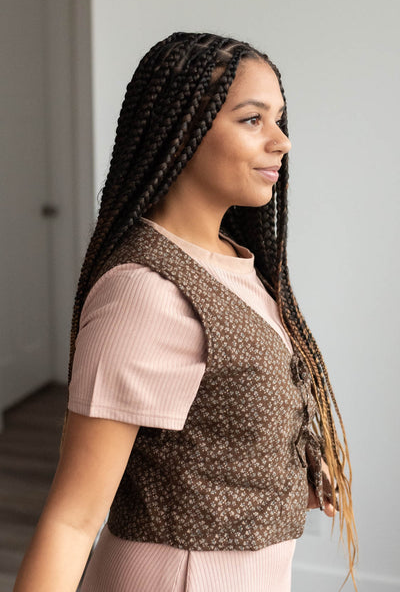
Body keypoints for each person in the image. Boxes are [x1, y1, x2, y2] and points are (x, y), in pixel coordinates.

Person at [14, 32, 358, 592]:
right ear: (183, 133)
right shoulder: (144, 290)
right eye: (252, 120)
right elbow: (73, 520)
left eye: (280, 119)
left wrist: (290, 466)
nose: (282, 142)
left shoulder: (228, 261)